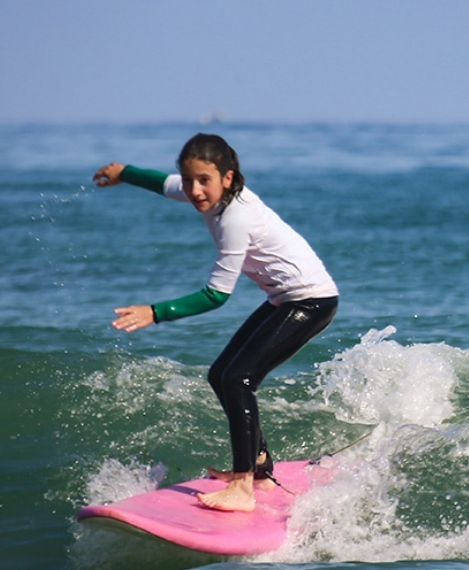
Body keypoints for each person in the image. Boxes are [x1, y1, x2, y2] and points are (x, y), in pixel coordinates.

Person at [93, 133, 339, 513]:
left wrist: (155, 312)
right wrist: (124, 172)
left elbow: (217, 295)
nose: (194, 190)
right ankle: (258, 467)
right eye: (189, 179)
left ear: (227, 177)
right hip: (284, 299)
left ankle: (243, 487)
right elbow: (163, 184)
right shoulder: (204, 191)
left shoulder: (235, 218)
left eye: (203, 180)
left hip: (311, 300)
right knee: (220, 373)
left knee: (238, 378)